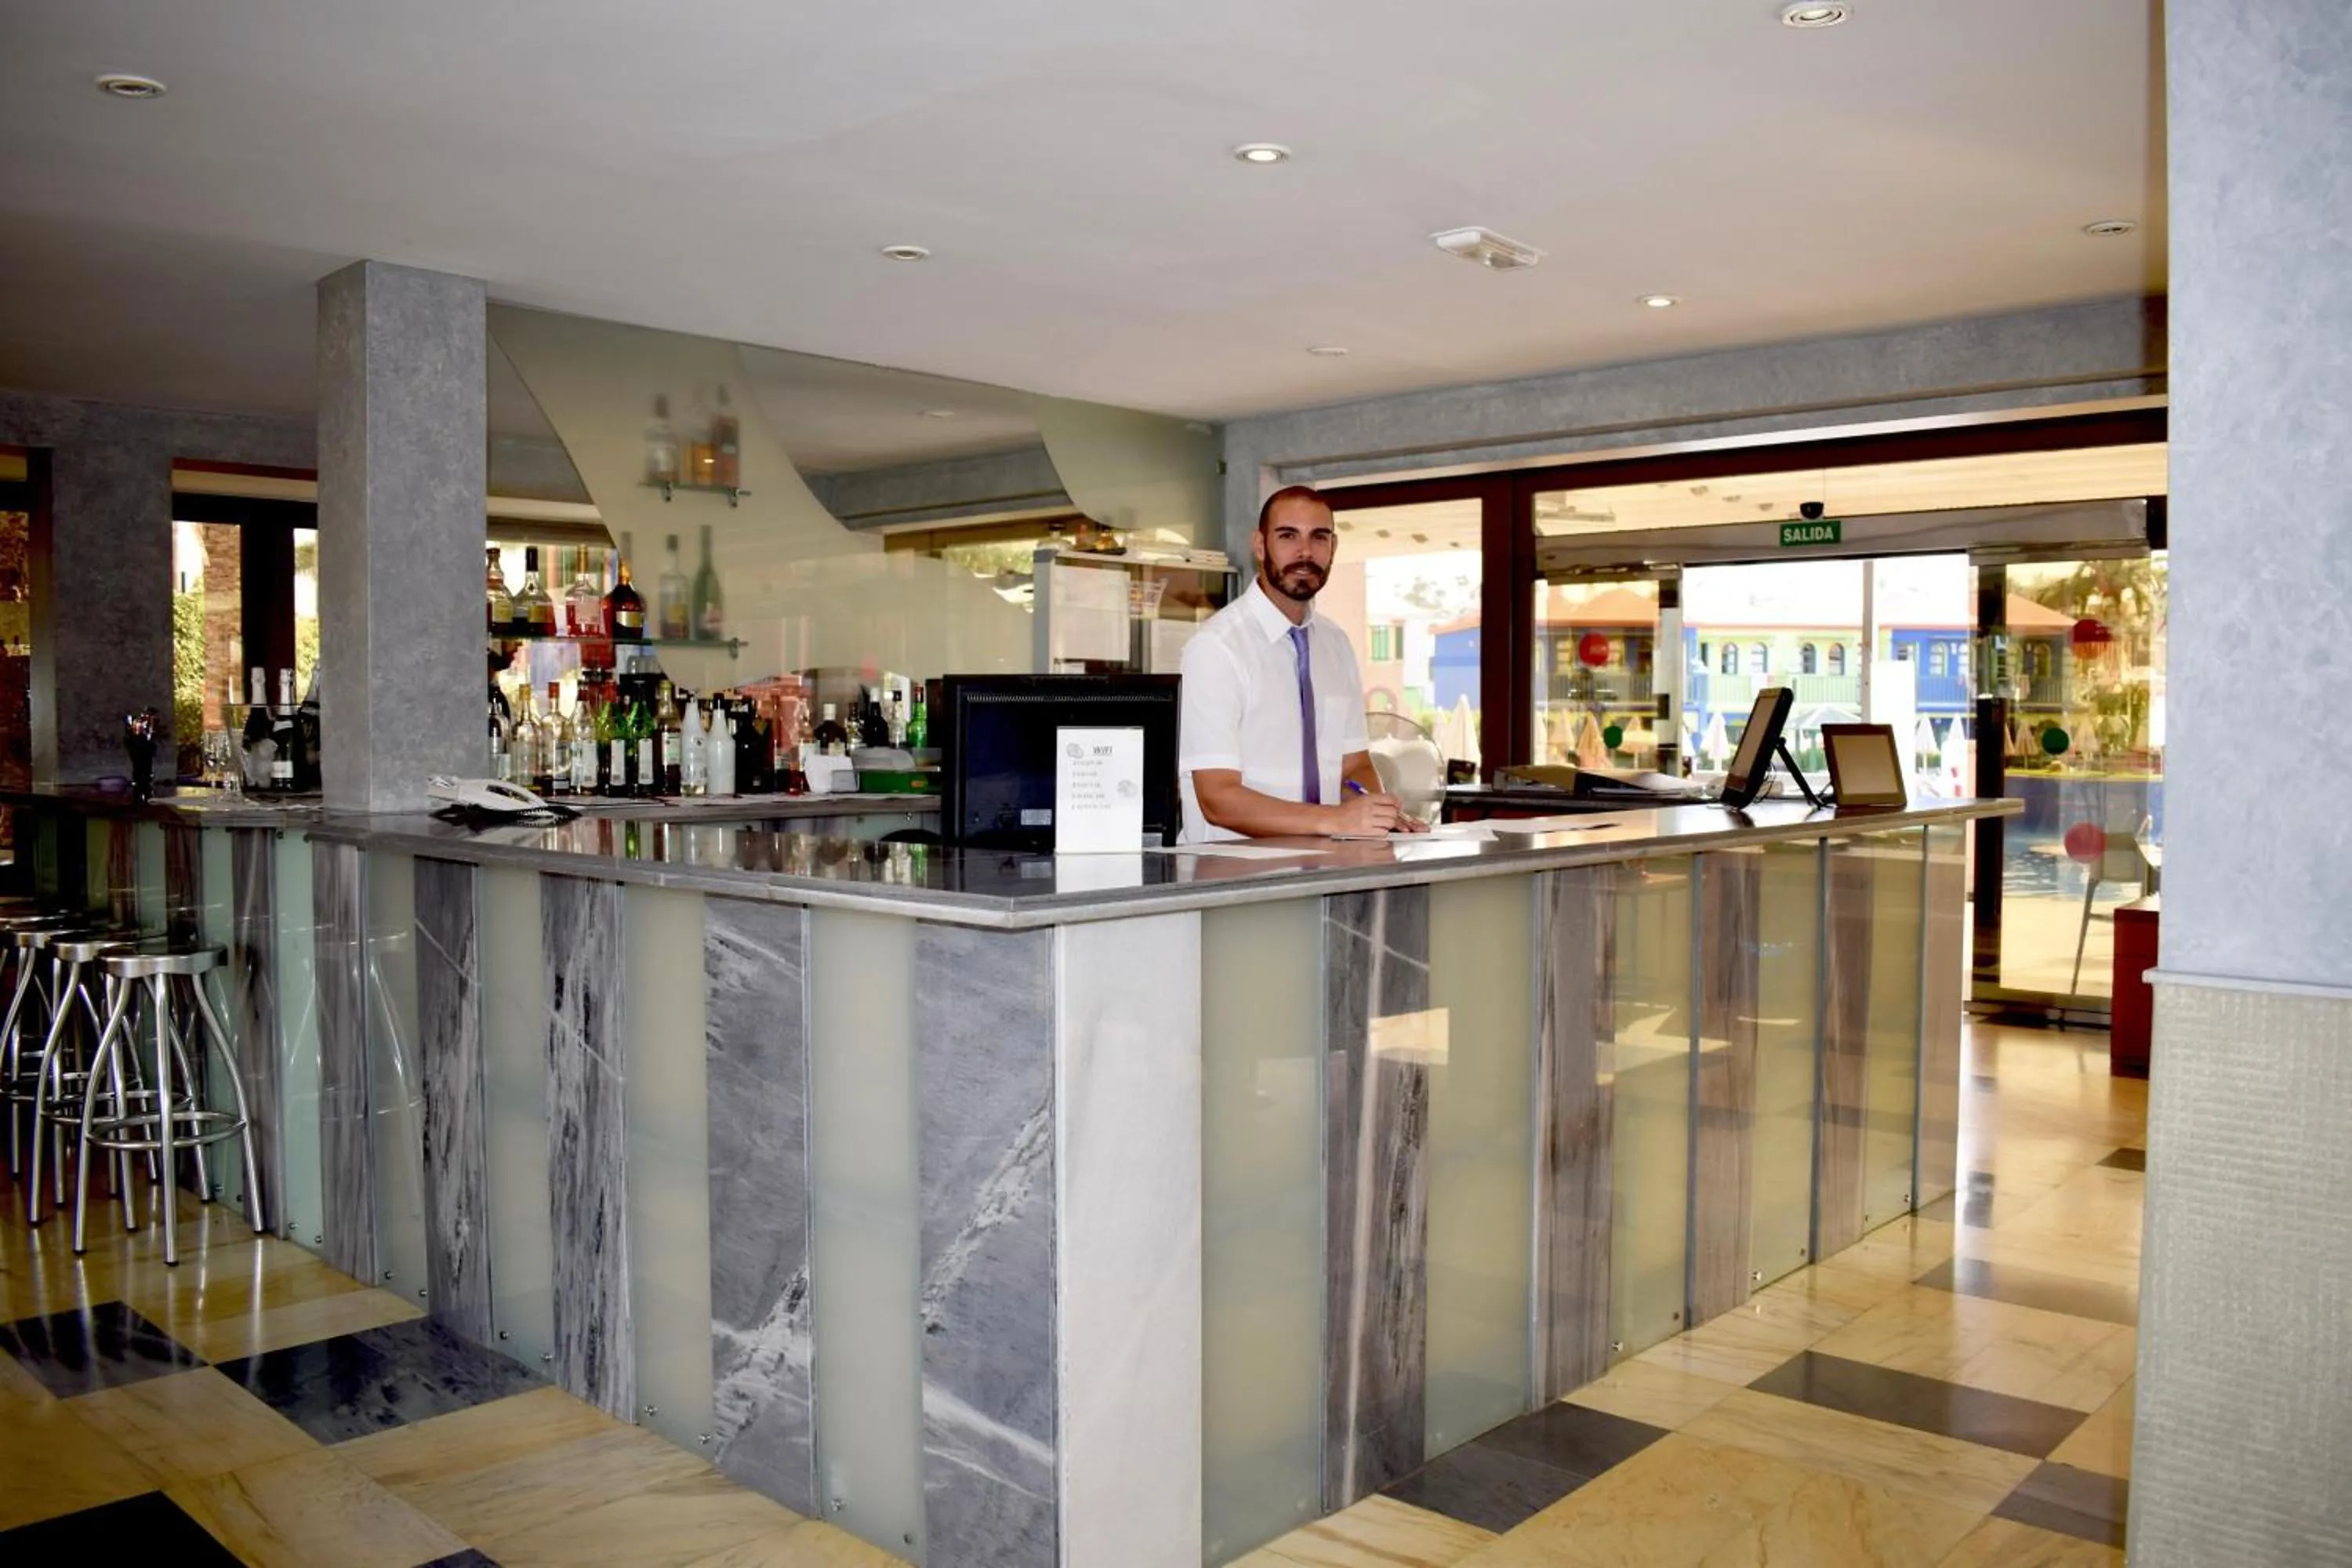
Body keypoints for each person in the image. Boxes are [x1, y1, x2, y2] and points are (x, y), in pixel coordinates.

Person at [1178, 485, 1426, 841]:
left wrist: (1377, 812)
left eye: (1319, 537)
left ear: (1333, 548)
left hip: (1319, 870)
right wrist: (1335, 820)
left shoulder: (1335, 645)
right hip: (1233, 879)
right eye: (1288, 536)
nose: (1305, 551)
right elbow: (1217, 798)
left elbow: (1352, 766)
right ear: (1260, 546)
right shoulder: (1216, 648)